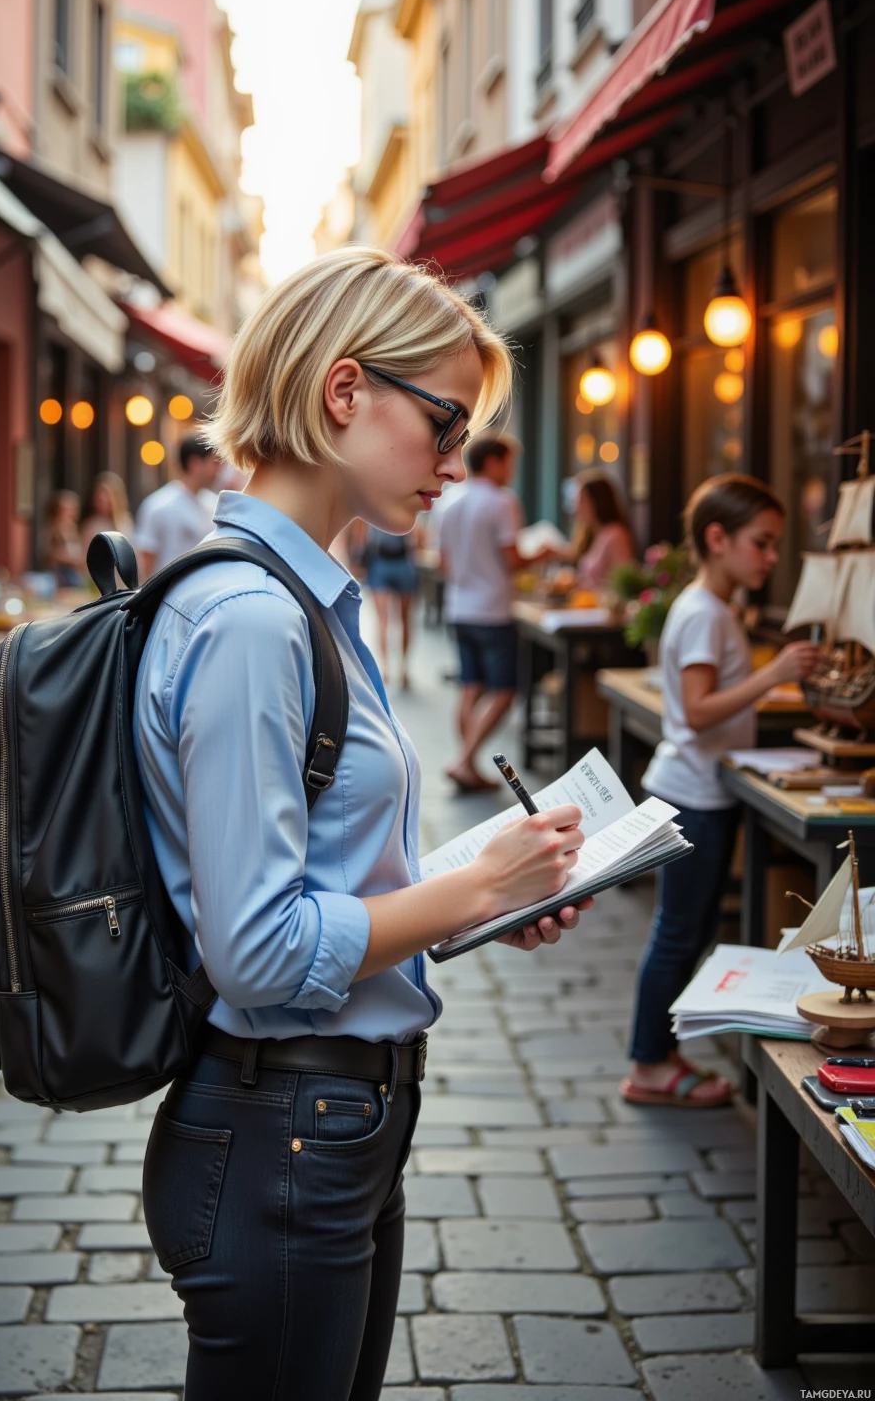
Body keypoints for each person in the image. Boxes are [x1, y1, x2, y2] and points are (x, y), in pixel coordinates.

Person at [133, 246, 592, 1398]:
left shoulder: (305, 603)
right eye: (443, 423)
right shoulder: (252, 620)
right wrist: (470, 888)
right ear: (346, 392)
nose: (454, 462)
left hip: (326, 1116)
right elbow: (259, 947)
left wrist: (481, 889)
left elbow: (325, 876)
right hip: (284, 1119)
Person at [622, 474, 820, 1107]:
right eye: (761, 543)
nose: (770, 557)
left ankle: (662, 1053)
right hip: (693, 798)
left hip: (700, 792)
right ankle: (650, 1065)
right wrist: (776, 674)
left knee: (690, 929)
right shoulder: (706, 613)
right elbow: (701, 711)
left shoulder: (713, 608)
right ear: (717, 538)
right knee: (679, 934)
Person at [438, 434, 537, 793]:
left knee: (470, 688)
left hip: (458, 605)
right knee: (504, 691)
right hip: (492, 609)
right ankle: (465, 760)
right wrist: (546, 553)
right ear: (493, 462)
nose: (511, 471)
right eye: (509, 462)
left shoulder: (449, 500)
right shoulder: (501, 501)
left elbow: (443, 562)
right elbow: (513, 559)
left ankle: (468, 763)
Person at [134, 431, 225, 577]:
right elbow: (146, 563)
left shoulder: (216, 504)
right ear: (195, 463)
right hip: (165, 595)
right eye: (214, 463)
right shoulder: (158, 506)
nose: (218, 471)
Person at [532, 471, 635, 591]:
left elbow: (624, 585)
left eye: (582, 500)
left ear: (598, 502)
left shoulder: (616, 534)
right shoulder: (596, 534)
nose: (576, 508)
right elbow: (577, 554)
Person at [362, 522, 422, 689]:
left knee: (396, 619)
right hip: (390, 562)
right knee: (391, 620)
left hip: (391, 562)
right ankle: (392, 669)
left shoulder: (372, 505)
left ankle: (397, 669)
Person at [80, 471, 134, 555]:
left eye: (105, 494)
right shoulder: (91, 525)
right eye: (98, 495)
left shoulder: (125, 522)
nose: (101, 498)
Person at [42, 490, 85, 588]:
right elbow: (50, 553)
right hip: (59, 577)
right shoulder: (53, 529)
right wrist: (70, 559)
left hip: (75, 576)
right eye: (65, 510)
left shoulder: (74, 529)